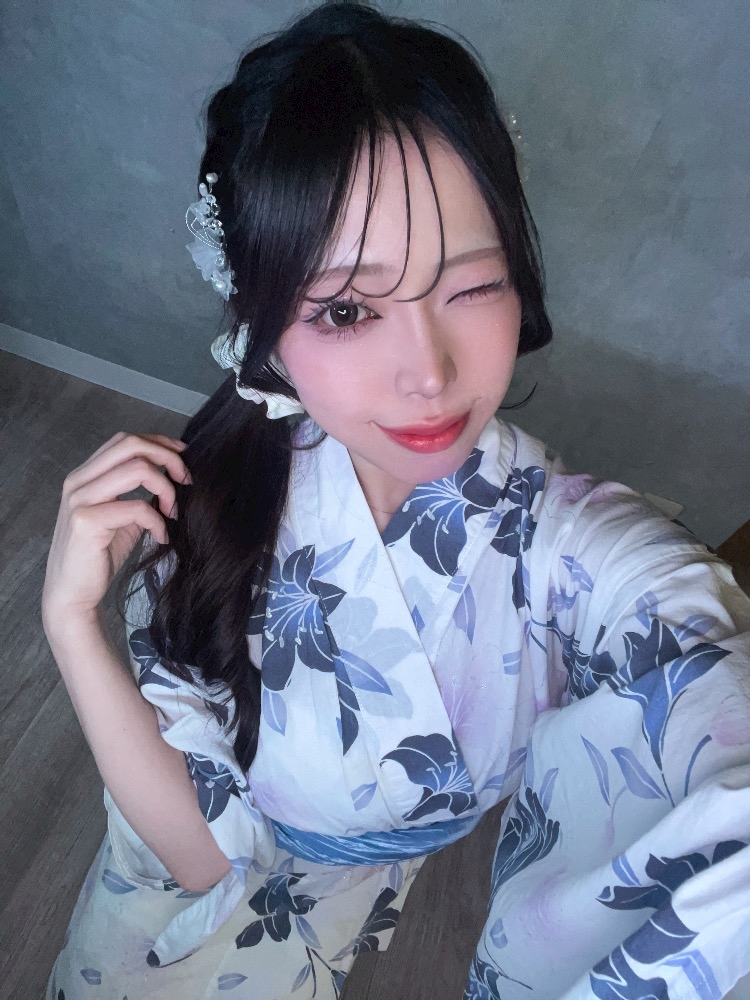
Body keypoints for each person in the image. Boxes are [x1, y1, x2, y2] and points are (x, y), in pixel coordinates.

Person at [42, 3, 750, 999]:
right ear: (259, 316)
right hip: (170, 891)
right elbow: (203, 859)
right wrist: (71, 623)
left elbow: (694, 662)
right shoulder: (203, 515)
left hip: (355, 891)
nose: (431, 373)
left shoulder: (564, 540)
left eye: (474, 285)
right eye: (346, 308)